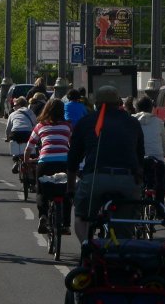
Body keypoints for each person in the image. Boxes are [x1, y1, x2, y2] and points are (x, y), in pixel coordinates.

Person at [67, 85, 144, 242]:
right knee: (125, 225)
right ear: (118, 103)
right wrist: (139, 183)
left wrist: (70, 188)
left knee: (82, 217)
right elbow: (139, 157)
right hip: (126, 180)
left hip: (95, 178)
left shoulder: (86, 122)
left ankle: (87, 247)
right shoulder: (132, 123)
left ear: (96, 103)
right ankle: (121, 252)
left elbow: (73, 158)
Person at [25, 98, 73, 234]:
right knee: (67, 192)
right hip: (64, 162)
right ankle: (66, 225)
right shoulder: (67, 126)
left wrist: (27, 161)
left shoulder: (40, 125)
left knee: (41, 191)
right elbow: (73, 145)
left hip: (45, 162)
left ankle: (43, 216)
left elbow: (29, 147)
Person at [133, 95, 165, 205]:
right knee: (160, 181)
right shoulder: (158, 122)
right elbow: (163, 141)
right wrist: (164, 154)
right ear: (151, 107)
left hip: (138, 159)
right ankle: (160, 206)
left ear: (136, 107)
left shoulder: (132, 121)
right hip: (156, 158)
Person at [6, 96, 36, 173]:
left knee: (14, 146)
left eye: (14, 106)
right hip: (28, 133)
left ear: (19, 105)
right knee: (31, 149)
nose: (13, 107)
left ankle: (16, 161)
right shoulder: (30, 112)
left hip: (15, 133)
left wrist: (8, 138)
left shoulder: (12, 114)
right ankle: (32, 164)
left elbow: (8, 129)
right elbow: (35, 125)